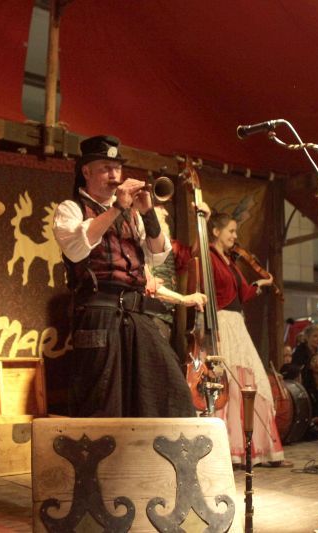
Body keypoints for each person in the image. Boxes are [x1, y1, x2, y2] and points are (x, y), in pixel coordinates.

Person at [53, 135, 204, 418]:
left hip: (135, 313)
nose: (114, 175)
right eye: (106, 169)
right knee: (103, 400)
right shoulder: (70, 209)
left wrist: (147, 212)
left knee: (167, 391)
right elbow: (76, 248)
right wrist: (117, 208)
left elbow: (158, 254)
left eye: (117, 168)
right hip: (98, 311)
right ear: (86, 171)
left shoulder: (132, 214)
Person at [206, 211, 284, 466]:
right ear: (216, 231)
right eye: (231, 231)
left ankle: (254, 448)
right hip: (221, 322)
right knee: (228, 384)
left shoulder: (229, 261)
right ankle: (229, 449)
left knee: (250, 382)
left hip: (236, 324)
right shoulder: (208, 257)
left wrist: (260, 284)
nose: (235, 236)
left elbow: (243, 295)